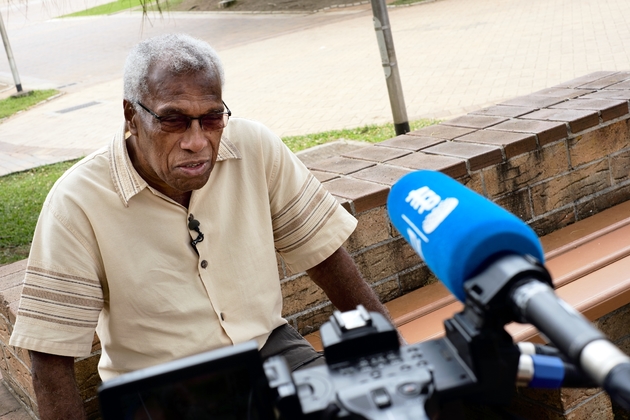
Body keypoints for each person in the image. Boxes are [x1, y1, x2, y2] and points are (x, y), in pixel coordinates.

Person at [9, 33, 398, 419]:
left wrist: (399, 361)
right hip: (159, 390)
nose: (197, 141)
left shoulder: (255, 147)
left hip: (269, 350)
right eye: (173, 120)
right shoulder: (76, 201)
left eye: (211, 117)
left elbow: (327, 259)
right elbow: (50, 358)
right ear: (131, 116)